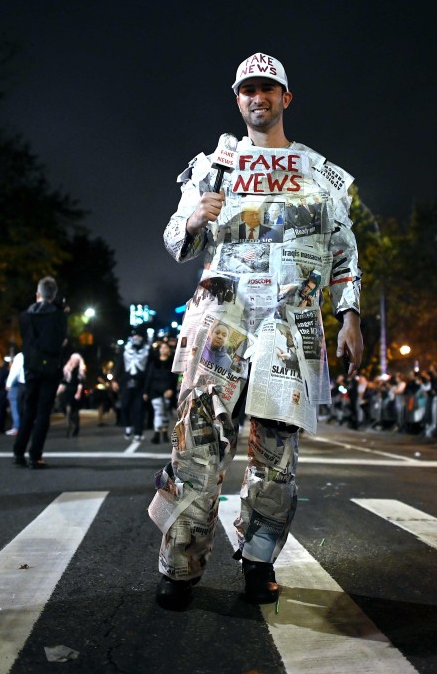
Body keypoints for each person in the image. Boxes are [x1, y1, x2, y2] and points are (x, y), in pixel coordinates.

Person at [153, 52, 363, 610]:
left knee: (275, 455)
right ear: (237, 97)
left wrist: (350, 317)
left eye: (268, 89)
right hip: (219, 326)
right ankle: (180, 567)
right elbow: (176, 238)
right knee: (196, 445)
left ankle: (259, 562)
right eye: (248, 89)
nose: (258, 97)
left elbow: (345, 251)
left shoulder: (316, 172)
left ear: (285, 98)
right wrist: (197, 217)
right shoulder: (210, 167)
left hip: (286, 332)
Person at [11, 276, 68, 469]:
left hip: (31, 367)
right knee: (43, 412)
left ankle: (19, 452)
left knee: (29, 409)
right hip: (50, 368)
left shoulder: (24, 316)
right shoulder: (59, 315)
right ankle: (35, 456)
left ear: (38, 294)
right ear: (54, 295)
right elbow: (61, 340)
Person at [118, 327, 150, 442]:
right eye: (134, 335)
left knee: (139, 409)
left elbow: (149, 371)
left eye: (138, 335)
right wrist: (114, 380)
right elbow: (119, 365)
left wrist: (147, 389)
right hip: (126, 383)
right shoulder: (125, 350)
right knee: (124, 406)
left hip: (141, 384)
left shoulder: (147, 351)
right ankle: (127, 426)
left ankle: (138, 432)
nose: (136, 337)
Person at [143, 341, 178, 445]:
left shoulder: (173, 362)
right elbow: (149, 377)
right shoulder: (154, 362)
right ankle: (157, 434)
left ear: (169, 350)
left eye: (165, 348)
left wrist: (171, 389)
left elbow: (174, 378)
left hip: (167, 391)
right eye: (161, 348)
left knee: (166, 412)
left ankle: (164, 432)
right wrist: (145, 391)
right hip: (155, 390)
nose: (163, 349)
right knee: (158, 412)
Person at [61, 352, 86, 437]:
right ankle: (68, 427)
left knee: (74, 411)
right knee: (67, 410)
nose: (74, 361)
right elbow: (63, 382)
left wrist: (78, 393)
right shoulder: (67, 369)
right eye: (73, 359)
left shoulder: (80, 370)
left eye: (77, 360)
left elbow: (80, 383)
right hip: (67, 392)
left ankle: (75, 426)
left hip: (75, 391)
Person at [5, 351, 25, 435]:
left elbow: (14, 370)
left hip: (23, 384)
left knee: (17, 409)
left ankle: (17, 427)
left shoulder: (21, 356)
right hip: (35, 383)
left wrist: (8, 383)